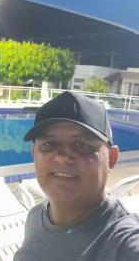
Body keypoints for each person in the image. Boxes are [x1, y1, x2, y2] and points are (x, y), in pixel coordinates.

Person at [14, 91, 139, 261]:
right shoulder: (35, 217)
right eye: (49, 144)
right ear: (34, 154)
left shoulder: (123, 243)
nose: (62, 157)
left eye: (81, 145)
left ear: (111, 159)